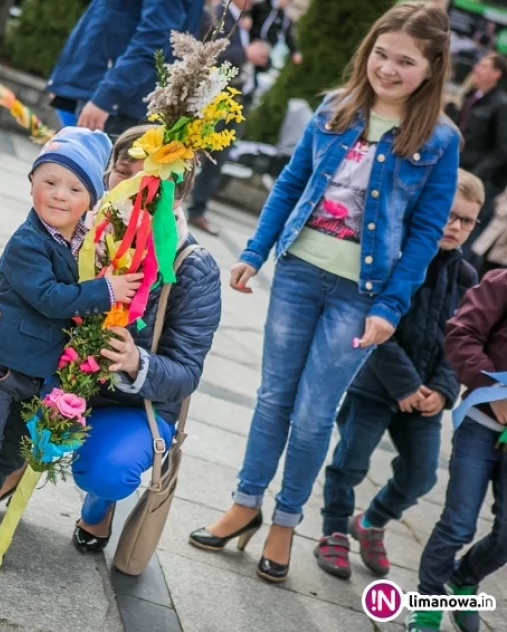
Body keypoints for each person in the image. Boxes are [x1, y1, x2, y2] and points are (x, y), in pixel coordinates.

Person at [187, 2, 460, 584]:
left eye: (405, 61)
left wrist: (391, 306)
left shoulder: (439, 139)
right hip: (297, 273)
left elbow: (425, 233)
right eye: (381, 54)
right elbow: (291, 183)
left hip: (361, 295)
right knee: (272, 400)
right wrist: (254, 252)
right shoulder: (335, 108)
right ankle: (245, 503)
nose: (387, 69)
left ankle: (286, 520)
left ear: (433, 66)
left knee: (313, 417)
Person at [0, 124, 222, 558]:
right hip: (50, 374)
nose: (130, 192)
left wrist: (134, 360)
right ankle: (13, 464)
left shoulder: (192, 266)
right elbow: (23, 289)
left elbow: (186, 374)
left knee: (106, 470)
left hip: (129, 403)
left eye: (148, 185)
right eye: (121, 176)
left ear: (177, 197)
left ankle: (100, 503)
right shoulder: (75, 226)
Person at [0, 127, 145, 568]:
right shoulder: (28, 242)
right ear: (31, 184)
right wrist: (106, 291)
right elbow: (49, 298)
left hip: (31, 374)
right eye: (49, 182)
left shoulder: (83, 240)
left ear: (92, 199)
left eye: (75, 188)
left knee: (8, 452)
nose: (60, 195)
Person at [315, 170, 483, 580]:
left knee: (422, 474)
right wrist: (404, 383)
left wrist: (443, 390)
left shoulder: (467, 277)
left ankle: (371, 522)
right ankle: (334, 531)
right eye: (449, 215)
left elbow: (463, 338)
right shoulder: (394, 255)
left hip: (427, 397)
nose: (456, 226)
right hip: (374, 386)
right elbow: (371, 325)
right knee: (350, 463)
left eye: (467, 221)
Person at [407, 270, 507, 632]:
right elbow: (462, 334)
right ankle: (429, 601)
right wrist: (493, 391)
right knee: (458, 523)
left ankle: (464, 580)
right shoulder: (501, 283)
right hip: (481, 425)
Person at [46, 0, 205, 140]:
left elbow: (154, 40)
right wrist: (64, 78)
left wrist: (108, 97)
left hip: (118, 102)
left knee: (95, 172)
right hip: (108, 93)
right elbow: (105, 19)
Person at [185, 0, 270, 236]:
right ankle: (175, 202)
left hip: (236, 101)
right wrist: (245, 53)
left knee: (218, 158)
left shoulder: (244, 21)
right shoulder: (218, 14)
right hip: (216, 99)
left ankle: (198, 209)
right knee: (196, 152)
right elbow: (210, 53)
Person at [451, 53, 507, 263]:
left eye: (483, 66)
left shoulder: (501, 104)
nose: (476, 69)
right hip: (459, 173)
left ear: (496, 74)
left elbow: (503, 149)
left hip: (484, 182)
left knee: (467, 232)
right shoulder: (471, 97)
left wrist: (478, 174)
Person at [250, 0, 303, 73]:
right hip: (251, 41)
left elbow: (288, 36)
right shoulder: (263, 5)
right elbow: (250, 11)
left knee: (265, 65)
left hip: (266, 48)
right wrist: (247, 17)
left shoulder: (284, 18)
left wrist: (294, 51)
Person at [470, 189, 507, 278]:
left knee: (495, 268)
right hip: (495, 231)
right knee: (479, 263)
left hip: (503, 241)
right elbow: (499, 204)